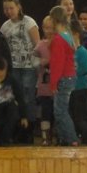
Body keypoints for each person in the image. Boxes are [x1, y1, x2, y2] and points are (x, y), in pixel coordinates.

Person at [0, 0, 40, 144]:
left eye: (11, 8)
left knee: (28, 97)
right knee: (15, 97)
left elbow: (38, 44)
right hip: (13, 67)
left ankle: (29, 129)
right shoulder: (5, 26)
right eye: (6, 9)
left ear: (18, 7)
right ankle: (17, 128)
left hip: (28, 66)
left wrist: (39, 65)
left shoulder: (29, 22)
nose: (9, 11)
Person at [47, 6, 80, 147]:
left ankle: (72, 139)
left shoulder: (59, 39)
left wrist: (53, 82)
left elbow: (57, 63)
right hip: (70, 77)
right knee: (60, 110)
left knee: (60, 111)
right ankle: (64, 138)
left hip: (64, 78)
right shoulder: (68, 36)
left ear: (55, 20)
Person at [33, 15, 55, 145]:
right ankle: (46, 137)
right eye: (46, 28)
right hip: (44, 85)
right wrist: (41, 62)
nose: (49, 30)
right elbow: (33, 60)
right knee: (45, 112)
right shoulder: (41, 45)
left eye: (51, 28)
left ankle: (61, 135)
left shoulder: (60, 43)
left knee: (58, 112)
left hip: (58, 86)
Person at [69, 24, 87, 143]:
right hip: (70, 89)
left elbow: (84, 69)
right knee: (72, 114)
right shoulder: (68, 51)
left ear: (76, 35)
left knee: (80, 115)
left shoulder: (82, 52)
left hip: (80, 88)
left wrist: (69, 72)